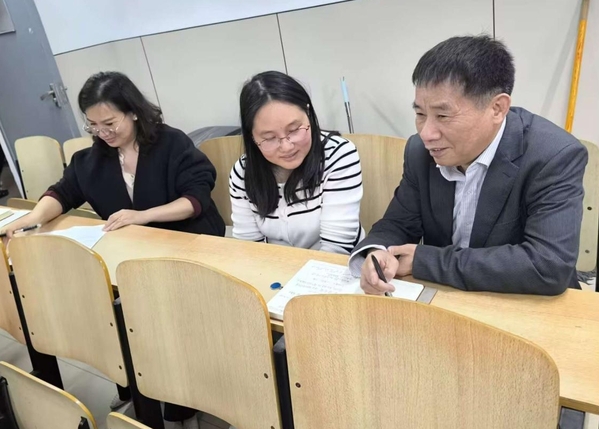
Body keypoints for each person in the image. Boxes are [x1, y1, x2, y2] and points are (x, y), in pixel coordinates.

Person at [3, 71, 224, 428]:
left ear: (133, 111)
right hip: (129, 257)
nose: (102, 133)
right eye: (93, 125)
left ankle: (180, 402)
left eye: (110, 123)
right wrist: (30, 219)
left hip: (187, 248)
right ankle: (134, 385)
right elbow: (63, 192)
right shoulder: (94, 158)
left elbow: (195, 199)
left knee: (161, 322)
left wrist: (143, 216)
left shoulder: (171, 144)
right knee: (112, 314)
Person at [351, 35, 587, 296]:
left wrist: (426, 261)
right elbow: (398, 223)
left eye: (443, 115)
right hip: (448, 298)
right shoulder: (420, 151)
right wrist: (377, 252)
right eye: (420, 114)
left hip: (524, 302)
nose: (426, 133)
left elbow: (548, 265)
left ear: (497, 108)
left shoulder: (553, 156)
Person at [230, 71, 364, 254]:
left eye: (294, 130)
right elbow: (249, 247)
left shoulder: (338, 155)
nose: (286, 147)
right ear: (252, 136)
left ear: (308, 112)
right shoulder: (243, 172)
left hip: (336, 265)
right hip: (277, 266)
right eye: (269, 138)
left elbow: (337, 247)